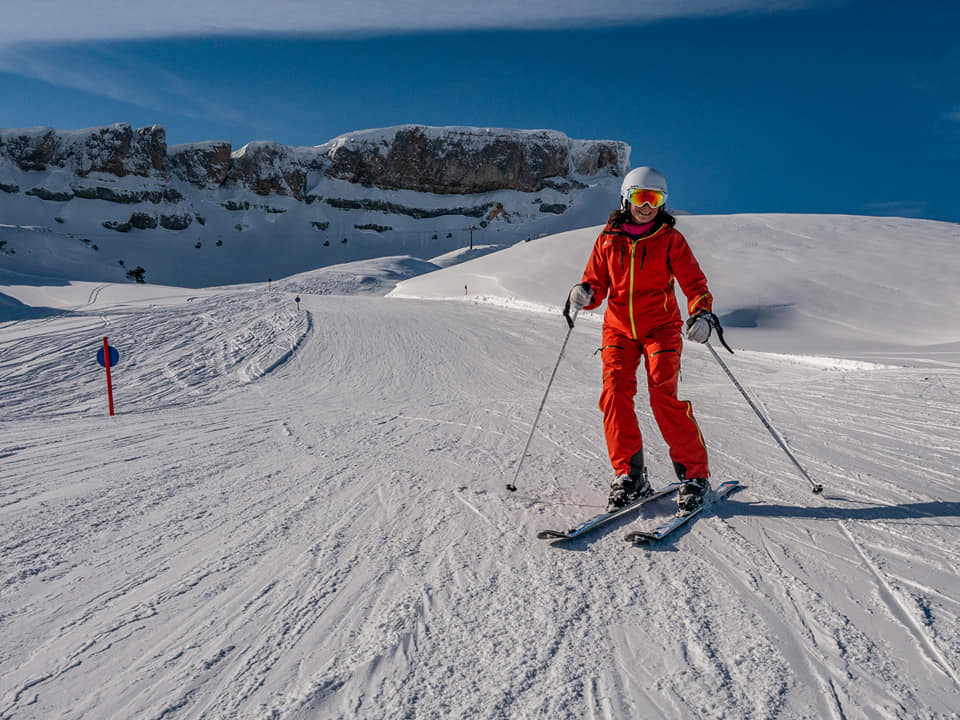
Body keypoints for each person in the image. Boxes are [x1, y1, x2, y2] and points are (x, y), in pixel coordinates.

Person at [565, 167, 718, 516]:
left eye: (655, 199)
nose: (647, 206)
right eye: (640, 197)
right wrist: (585, 292)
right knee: (615, 394)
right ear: (626, 198)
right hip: (618, 329)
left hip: (661, 328)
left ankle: (695, 477)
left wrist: (702, 313)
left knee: (662, 396)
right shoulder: (607, 239)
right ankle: (630, 477)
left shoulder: (670, 240)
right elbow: (596, 283)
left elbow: (694, 284)